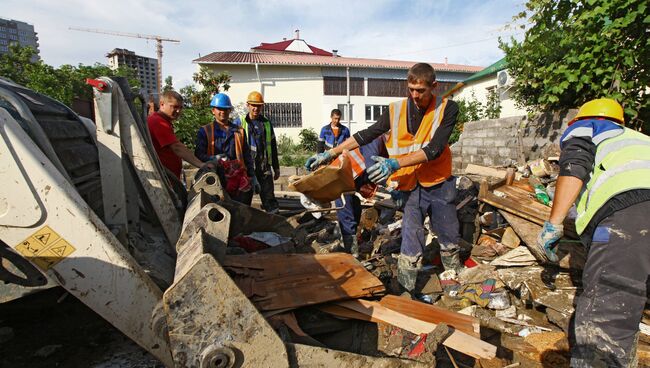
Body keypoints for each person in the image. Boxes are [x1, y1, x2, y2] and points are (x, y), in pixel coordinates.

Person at [306, 63, 461, 294]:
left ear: (434, 87)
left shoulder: (447, 108)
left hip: (438, 181)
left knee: (448, 233)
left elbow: (435, 149)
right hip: (410, 184)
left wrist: (394, 164)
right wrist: (331, 153)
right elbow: (365, 135)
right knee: (411, 234)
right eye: (411, 89)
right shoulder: (395, 110)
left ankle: (453, 283)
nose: (415, 95)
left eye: (421, 90)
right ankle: (407, 290)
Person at [534, 98, 650, 367]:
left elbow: (574, 167)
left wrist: (554, 224)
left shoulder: (588, 128)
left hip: (629, 217)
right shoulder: (640, 140)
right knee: (628, 307)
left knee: (604, 320)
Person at [195, 93, 257, 204]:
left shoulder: (239, 131)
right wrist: (213, 158)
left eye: (226, 109)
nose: (223, 112)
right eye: (219, 109)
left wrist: (252, 176)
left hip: (237, 178)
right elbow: (198, 154)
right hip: (216, 179)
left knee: (240, 212)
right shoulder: (205, 131)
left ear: (230, 110)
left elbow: (247, 156)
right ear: (213, 110)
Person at [331, 137, 387, 258]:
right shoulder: (374, 140)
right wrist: (391, 185)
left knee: (355, 208)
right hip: (343, 177)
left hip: (353, 178)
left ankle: (350, 244)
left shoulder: (384, 143)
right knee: (347, 214)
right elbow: (372, 167)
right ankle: (350, 253)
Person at [233, 91, 280, 213]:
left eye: (258, 105)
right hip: (246, 170)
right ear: (247, 105)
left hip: (264, 168)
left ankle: (274, 226)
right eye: (253, 105)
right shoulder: (239, 123)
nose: (256, 108)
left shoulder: (266, 123)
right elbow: (234, 147)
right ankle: (243, 228)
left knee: (270, 201)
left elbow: (273, 146)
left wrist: (276, 167)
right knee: (243, 202)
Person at [147, 90, 206, 179]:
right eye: (174, 107)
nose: (178, 111)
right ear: (162, 104)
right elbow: (177, 147)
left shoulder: (165, 121)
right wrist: (201, 164)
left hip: (169, 177)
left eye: (180, 107)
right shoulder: (157, 122)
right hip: (163, 178)